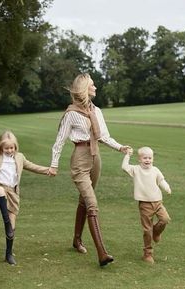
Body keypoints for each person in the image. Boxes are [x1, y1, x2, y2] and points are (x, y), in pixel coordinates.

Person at [48, 73, 131, 266]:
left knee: (84, 201)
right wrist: (54, 165)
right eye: (92, 85)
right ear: (84, 89)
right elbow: (59, 142)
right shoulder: (71, 114)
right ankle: (102, 253)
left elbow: (103, 136)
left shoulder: (97, 111)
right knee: (92, 204)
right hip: (80, 160)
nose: (96, 88)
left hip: (96, 159)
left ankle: (77, 240)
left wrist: (120, 147)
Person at [0, 130, 51, 265]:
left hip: (14, 192)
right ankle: (6, 222)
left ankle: (8, 254)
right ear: (1, 148)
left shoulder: (19, 157)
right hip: (0, 188)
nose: (9, 150)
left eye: (12, 148)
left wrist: (48, 170)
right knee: (0, 191)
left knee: (12, 226)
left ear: (15, 147)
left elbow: (32, 166)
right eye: (6, 148)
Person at [122, 146, 171, 264]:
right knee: (147, 230)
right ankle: (147, 254)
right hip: (145, 204)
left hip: (158, 201)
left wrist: (167, 188)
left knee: (165, 219)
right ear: (139, 159)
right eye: (145, 158)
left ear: (153, 159)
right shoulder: (136, 170)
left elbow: (161, 180)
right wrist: (127, 155)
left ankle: (157, 232)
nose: (147, 160)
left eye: (150, 158)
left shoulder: (155, 170)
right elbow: (124, 167)